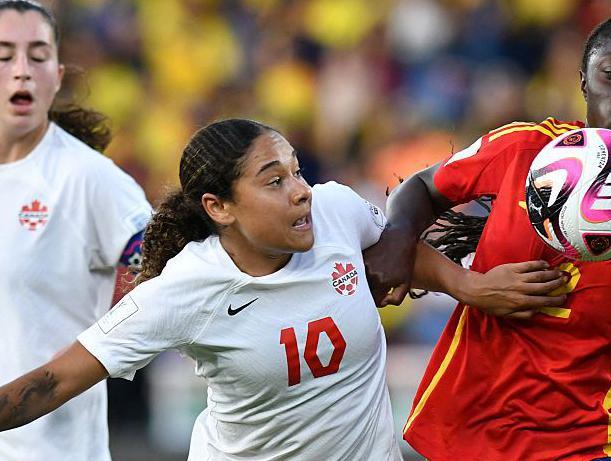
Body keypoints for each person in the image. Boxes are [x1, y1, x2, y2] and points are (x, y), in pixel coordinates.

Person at [0, 118, 568, 460]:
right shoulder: (183, 290)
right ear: (219, 208)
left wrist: (468, 285)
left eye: (296, 170)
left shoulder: (337, 211)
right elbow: (53, 382)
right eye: (275, 181)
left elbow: (398, 252)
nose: (301, 191)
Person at [365, 13, 611, 461]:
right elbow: (423, 188)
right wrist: (408, 244)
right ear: (583, 81)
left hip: (585, 445)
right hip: (463, 434)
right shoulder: (523, 149)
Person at [0, 1, 151, 460]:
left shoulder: (88, 179)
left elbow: (166, 278)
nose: (22, 70)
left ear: (58, 76)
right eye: (4, 55)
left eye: (38, 55)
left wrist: (93, 357)